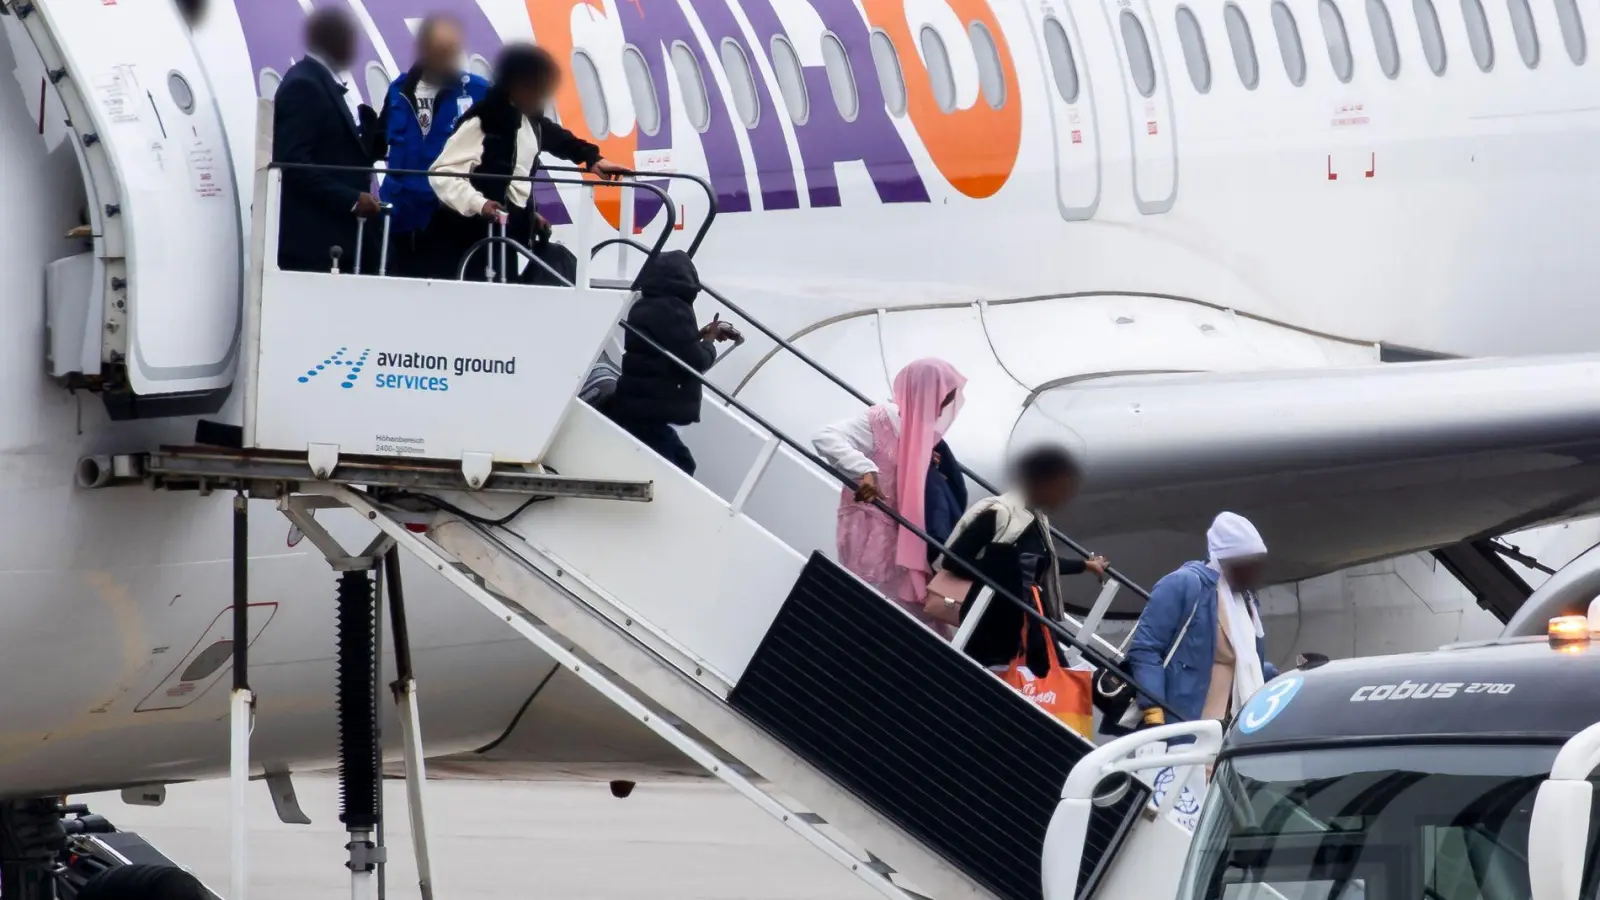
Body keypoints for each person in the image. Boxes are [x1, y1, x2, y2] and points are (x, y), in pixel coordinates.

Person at [428, 43, 626, 282]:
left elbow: (559, 140)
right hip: (472, 237)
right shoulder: (483, 121)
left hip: (504, 234)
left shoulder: (530, 120)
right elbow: (443, 173)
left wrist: (593, 159)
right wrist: (479, 203)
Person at [813, 359, 967, 619]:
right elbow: (825, 437)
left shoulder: (921, 433)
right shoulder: (881, 419)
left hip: (901, 536)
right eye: (940, 399)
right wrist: (865, 470)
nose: (941, 409)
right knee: (866, 605)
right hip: (869, 529)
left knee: (896, 613)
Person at [934, 445, 1109, 673]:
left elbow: (1039, 564)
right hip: (993, 621)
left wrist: (1086, 566)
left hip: (1024, 619)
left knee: (1050, 673)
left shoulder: (1035, 519)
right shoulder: (1000, 513)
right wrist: (1001, 575)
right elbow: (953, 559)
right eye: (1061, 488)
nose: (1064, 496)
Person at [1127, 512, 1280, 730]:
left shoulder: (1246, 599)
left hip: (1233, 727)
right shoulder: (1184, 584)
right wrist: (1153, 709)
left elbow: (1244, 663)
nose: (1256, 573)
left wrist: (1277, 678)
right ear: (1227, 561)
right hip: (1183, 724)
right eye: (1249, 565)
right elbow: (1146, 649)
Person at [363, 14, 489, 278]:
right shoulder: (399, 90)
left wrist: (527, 207)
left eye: (450, 49)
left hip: (449, 223)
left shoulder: (478, 92)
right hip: (399, 222)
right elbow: (378, 145)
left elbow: (506, 151)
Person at [604, 250, 740, 474]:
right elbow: (694, 361)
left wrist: (700, 335)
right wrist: (710, 341)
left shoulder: (645, 305)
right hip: (652, 409)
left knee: (682, 462)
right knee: (680, 466)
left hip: (638, 405)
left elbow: (669, 345)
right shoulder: (675, 309)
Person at [272, 8, 383, 273]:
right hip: (315, 243)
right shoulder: (304, 85)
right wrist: (352, 199)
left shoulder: (323, 81)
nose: (354, 50)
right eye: (351, 40)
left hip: (338, 238)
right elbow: (293, 163)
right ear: (332, 41)